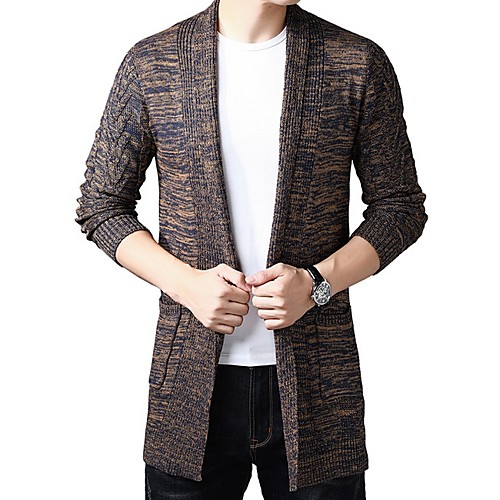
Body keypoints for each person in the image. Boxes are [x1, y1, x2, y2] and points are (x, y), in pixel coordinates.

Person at [75, 0, 427, 498]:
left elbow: (400, 207)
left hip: (319, 383)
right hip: (190, 384)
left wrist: (318, 283)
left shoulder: (354, 61)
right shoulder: (154, 62)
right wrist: (186, 285)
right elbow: (102, 204)